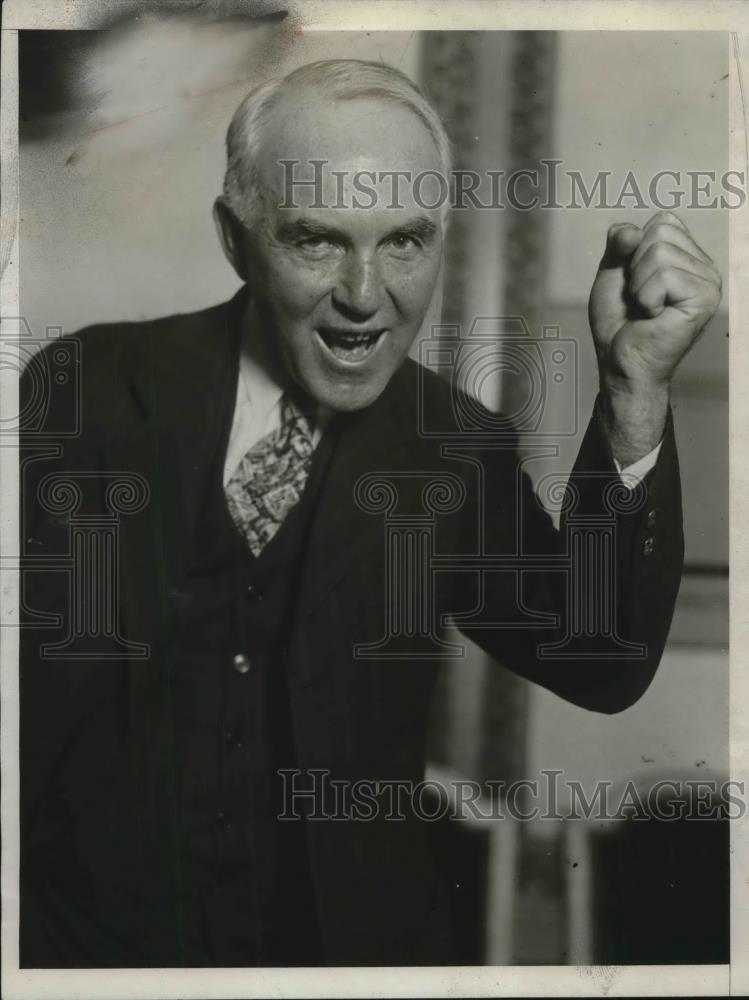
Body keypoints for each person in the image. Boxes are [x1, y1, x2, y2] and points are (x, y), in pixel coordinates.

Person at [19, 59, 721, 968]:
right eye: (317, 241)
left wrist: (632, 389)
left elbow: (601, 657)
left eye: (404, 242)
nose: (364, 295)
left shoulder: (454, 446)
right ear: (238, 238)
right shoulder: (87, 394)